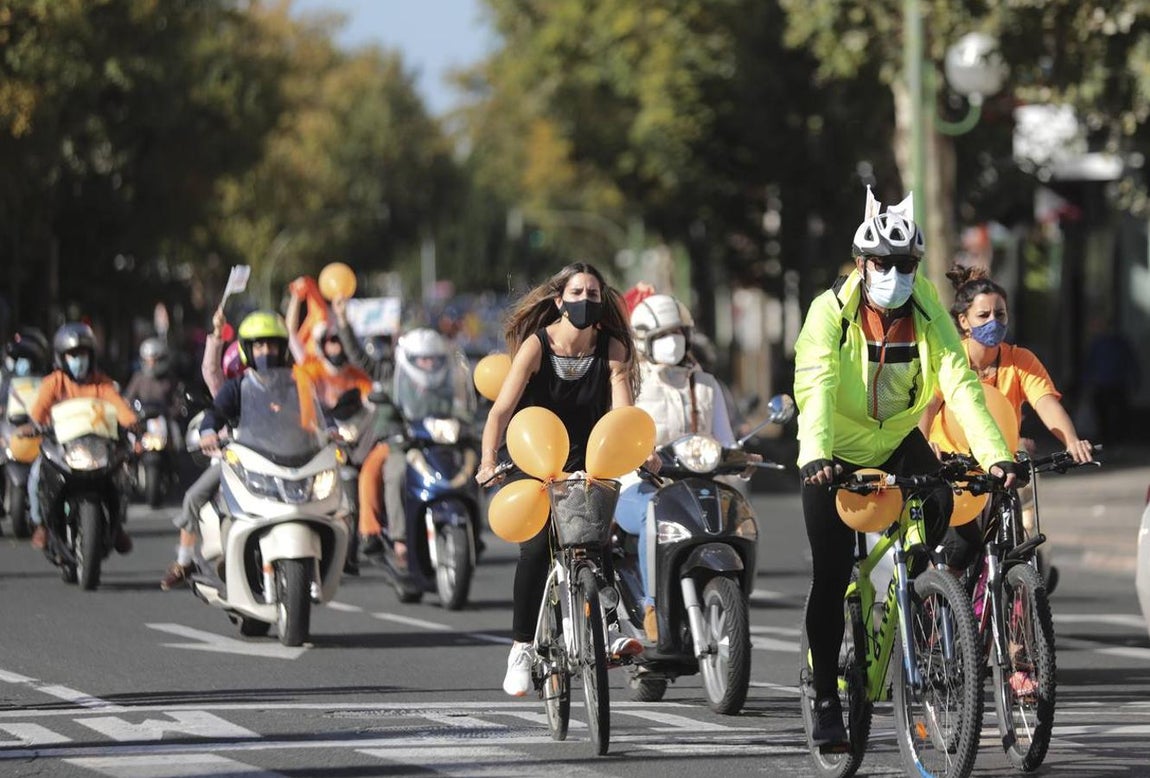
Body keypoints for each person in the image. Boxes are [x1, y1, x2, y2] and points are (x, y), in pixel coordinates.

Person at [793, 188, 1018, 749]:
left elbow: (960, 385)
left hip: (896, 443)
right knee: (828, 575)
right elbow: (815, 384)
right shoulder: (829, 312)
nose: (896, 274)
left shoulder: (927, 311)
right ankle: (825, 697)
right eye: (884, 264)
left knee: (941, 497)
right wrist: (817, 453)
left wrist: (996, 456)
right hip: (834, 452)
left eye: (907, 264)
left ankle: (917, 590)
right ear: (862, 264)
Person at [475, 262, 642, 697]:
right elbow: (500, 411)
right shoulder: (537, 345)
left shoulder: (614, 347)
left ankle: (610, 625)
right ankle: (521, 648)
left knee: (597, 536)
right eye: (577, 293)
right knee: (534, 550)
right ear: (558, 301)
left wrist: (643, 451)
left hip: (591, 456)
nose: (585, 301)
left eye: (593, 294)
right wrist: (487, 460)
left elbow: (622, 410)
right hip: (536, 454)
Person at [920, 265, 1093, 592]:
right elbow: (927, 408)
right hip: (957, 473)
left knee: (1024, 545)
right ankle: (941, 616)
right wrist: (926, 444)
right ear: (963, 321)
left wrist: (1071, 440)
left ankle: (1018, 630)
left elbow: (1046, 403)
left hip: (1003, 468)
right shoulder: (952, 359)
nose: (993, 322)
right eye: (983, 315)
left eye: (1000, 314)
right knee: (957, 551)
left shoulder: (1020, 360)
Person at [613, 293, 758, 643]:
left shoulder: (707, 385)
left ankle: (735, 605)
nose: (671, 341)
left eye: (677, 332)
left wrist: (741, 459)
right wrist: (639, 455)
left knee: (742, 518)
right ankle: (650, 606)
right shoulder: (629, 383)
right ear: (642, 340)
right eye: (661, 335)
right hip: (638, 486)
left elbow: (724, 441)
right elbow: (617, 433)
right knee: (652, 513)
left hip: (695, 488)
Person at [26, 323, 138, 552]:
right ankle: (41, 525)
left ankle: (116, 526)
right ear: (62, 358)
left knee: (121, 476)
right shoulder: (54, 383)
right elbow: (37, 413)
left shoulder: (102, 383)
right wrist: (34, 426)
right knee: (37, 473)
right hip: (62, 447)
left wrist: (133, 423)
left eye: (83, 354)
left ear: (91, 356)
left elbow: (120, 408)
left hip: (97, 447)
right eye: (73, 355)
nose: (79, 360)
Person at [160, 308, 238, 590]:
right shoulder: (231, 392)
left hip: (269, 466)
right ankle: (184, 561)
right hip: (233, 463)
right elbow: (211, 370)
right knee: (193, 497)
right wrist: (217, 334)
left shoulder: (277, 392)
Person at [1082, 313, 1140, 446]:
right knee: (1105, 415)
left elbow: (1130, 362)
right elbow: (1090, 364)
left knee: (1114, 415)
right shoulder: (1100, 343)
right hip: (1105, 384)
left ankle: (1113, 442)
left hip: (1114, 384)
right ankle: (1109, 442)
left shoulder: (1117, 342)